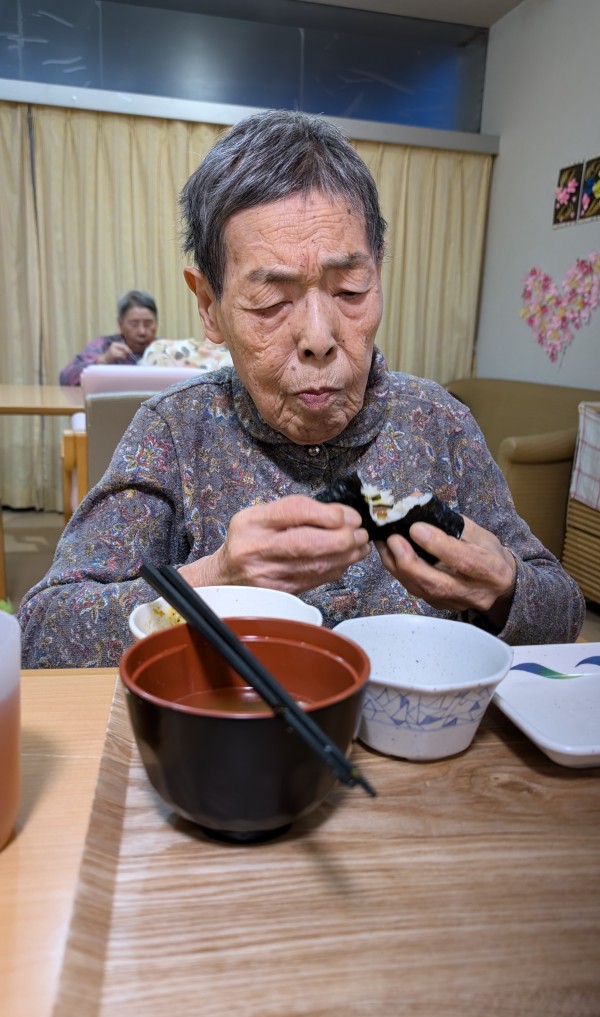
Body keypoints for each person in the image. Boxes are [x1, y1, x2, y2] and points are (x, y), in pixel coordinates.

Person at [21, 110, 584, 667]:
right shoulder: (175, 431)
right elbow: (44, 633)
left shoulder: (439, 422)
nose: (319, 338)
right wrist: (214, 577)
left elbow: (563, 614)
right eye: (271, 301)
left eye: (351, 290)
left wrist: (504, 589)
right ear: (209, 305)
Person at [59, 290, 158, 386]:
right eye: (134, 324)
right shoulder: (103, 345)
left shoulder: (164, 350)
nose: (142, 332)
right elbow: (65, 378)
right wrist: (103, 360)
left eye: (148, 324)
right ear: (120, 324)